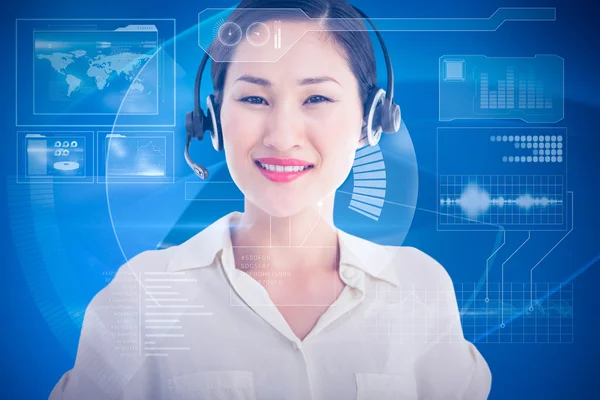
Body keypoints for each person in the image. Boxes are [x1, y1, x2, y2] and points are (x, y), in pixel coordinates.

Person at [50, 0, 491, 398]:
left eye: (316, 98)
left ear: (371, 120)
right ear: (213, 121)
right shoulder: (143, 297)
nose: (282, 137)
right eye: (254, 98)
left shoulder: (419, 290)